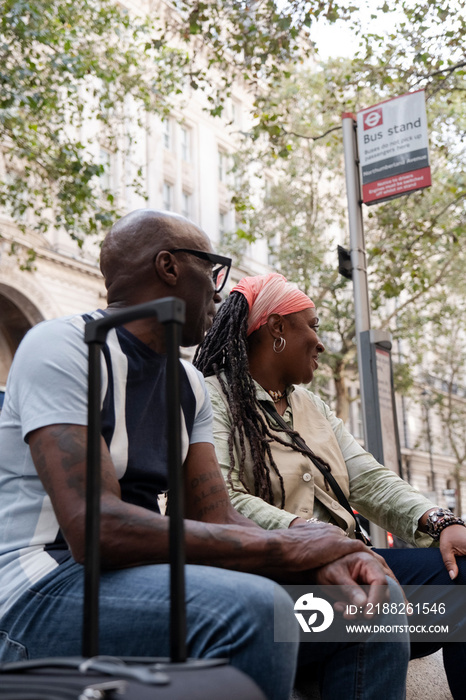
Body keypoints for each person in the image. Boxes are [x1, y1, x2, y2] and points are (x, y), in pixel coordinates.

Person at [0, 211, 409, 700]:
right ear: (169, 266)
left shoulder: (188, 384)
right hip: (36, 593)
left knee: (371, 612)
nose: (219, 292)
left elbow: (220, 516)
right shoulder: (64, 346)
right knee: (258, 610)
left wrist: (322, 559)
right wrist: (291, 548)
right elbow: (95, 530)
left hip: (140, 581)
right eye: (212, 270)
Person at [194, 271, 466, 700]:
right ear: (277, 328)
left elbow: (369, 479)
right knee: (375, 608)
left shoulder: (312, 405)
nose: (321, 342)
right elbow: (224, 502)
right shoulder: (212, 397)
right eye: (313, 325)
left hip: (349, 568)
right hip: (276, 585)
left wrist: (440, 521)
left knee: (460, 578)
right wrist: (319, 541)